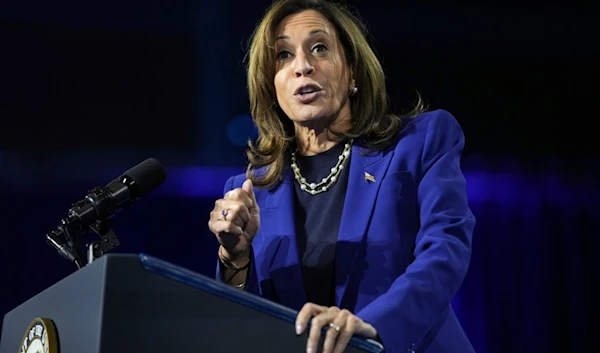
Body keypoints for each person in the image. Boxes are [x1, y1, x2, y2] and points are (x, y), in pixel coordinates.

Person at [207, 0, 476, 352]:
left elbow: (446, 248)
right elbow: (241, 328)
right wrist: (235, 261)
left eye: (319, 48)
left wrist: (374, 325)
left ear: (352, 71)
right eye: (284, 55)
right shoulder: (250, 191)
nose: (302, 66)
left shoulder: (420, 143)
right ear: (271, 85)